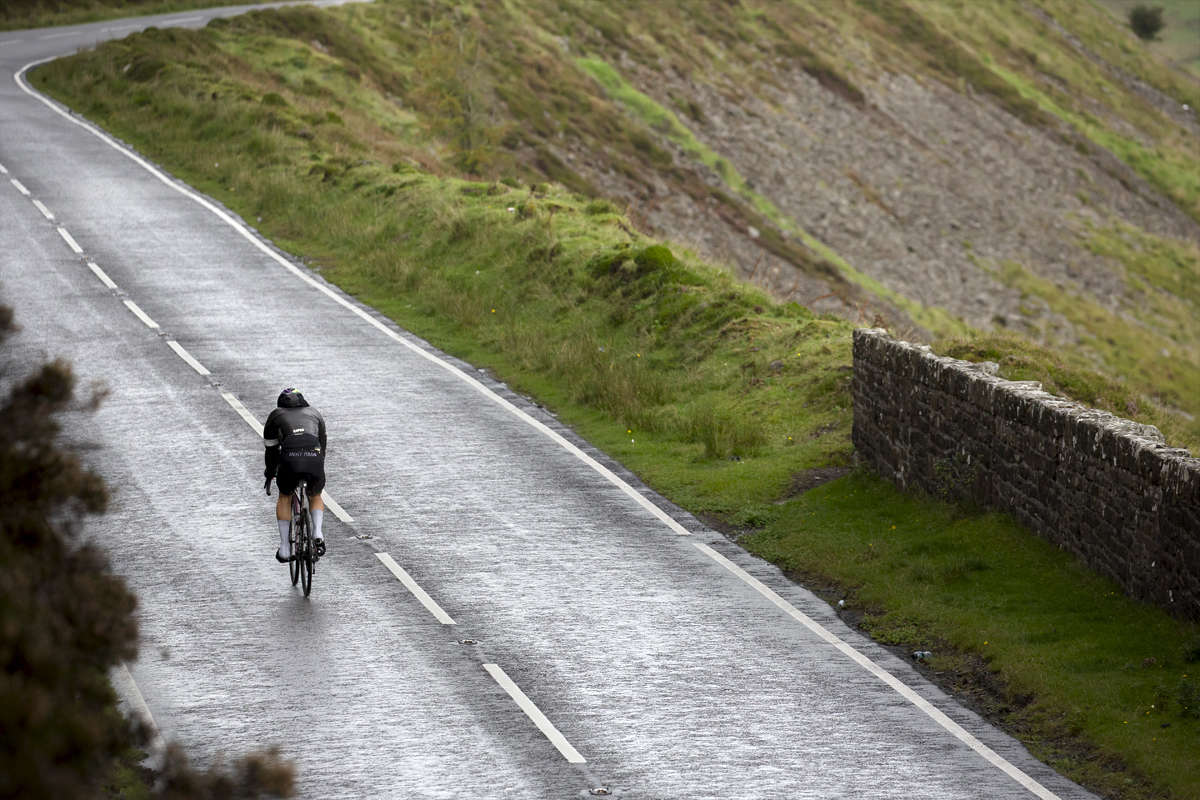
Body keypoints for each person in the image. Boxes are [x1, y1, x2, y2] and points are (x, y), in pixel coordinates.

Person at [263, 388, 327, 563]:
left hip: (290, 458)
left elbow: (271, 451)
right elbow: (322, 447)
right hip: (314, 458)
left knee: (285, 496)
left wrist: (270, 474)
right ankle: (317, 533)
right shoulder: (315, 413)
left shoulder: (275, 415)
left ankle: (285, 548)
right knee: (315, 495)